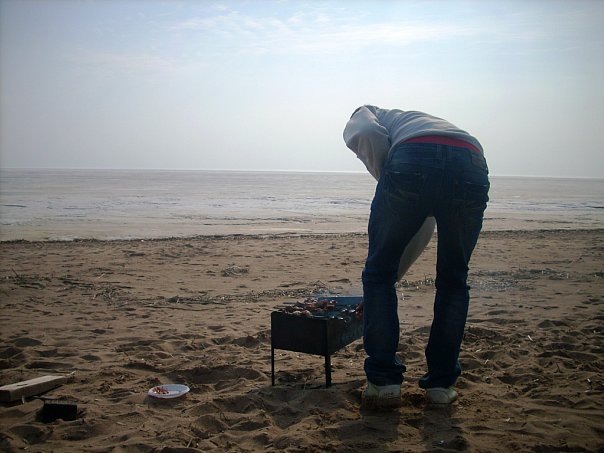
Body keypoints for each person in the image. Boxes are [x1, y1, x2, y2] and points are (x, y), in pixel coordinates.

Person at [343, 105, 490, 408]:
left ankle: (383, 383)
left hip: (412, 158)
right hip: (471, 161)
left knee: (377, 275)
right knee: (454, 280)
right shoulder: (412, 122)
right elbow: (422, 227)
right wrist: (391, 278)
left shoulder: (365, 111)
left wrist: (390, 178)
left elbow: (365, 131)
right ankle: (441, 387)